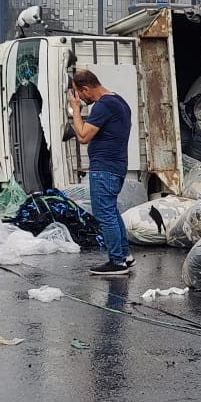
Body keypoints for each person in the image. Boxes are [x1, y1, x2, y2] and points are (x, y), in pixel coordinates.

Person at [66, 68, 131, 277]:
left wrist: (75, 110)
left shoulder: (104, 106)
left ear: (85, 89)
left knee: (105, 214)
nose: (81, 99)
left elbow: (84, 136)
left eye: (79, 94)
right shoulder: (118, 101)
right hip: (116, 166)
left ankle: (117, 261)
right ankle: (125, 256)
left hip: (104, 168)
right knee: (111, 211)